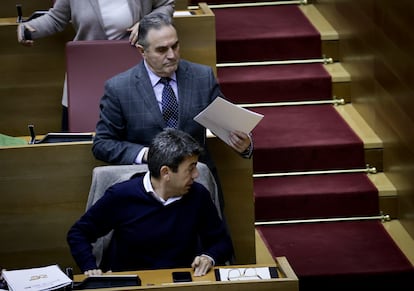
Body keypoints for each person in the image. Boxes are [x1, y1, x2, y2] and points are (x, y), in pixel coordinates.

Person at [92, 12, 253, 208]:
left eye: (175, 46)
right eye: (162, 50)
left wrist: (244, 144)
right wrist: (147, 154)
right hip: (145, 186)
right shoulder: (119, 88)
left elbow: (228, 125)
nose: (172, 55)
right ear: (142, 51)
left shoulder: (201, 77)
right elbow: (102, 144)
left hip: (196, 183)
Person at [67, 128, 234, 276]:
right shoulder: (122, 195)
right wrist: (90, 268)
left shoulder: (198, 195)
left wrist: (209, 257)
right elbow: (78, 233)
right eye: (190, 168)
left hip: (181, 283)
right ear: (166, 172)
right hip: (132, 285)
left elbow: (221, 241)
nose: (197, 174)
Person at [16, 0, 175, 131]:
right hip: (88, 72)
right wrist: (27, 29)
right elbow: (56, 18)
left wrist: (147, 24)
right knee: (81, 138)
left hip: (132, 72)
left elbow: (166, 5)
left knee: (132, 136)